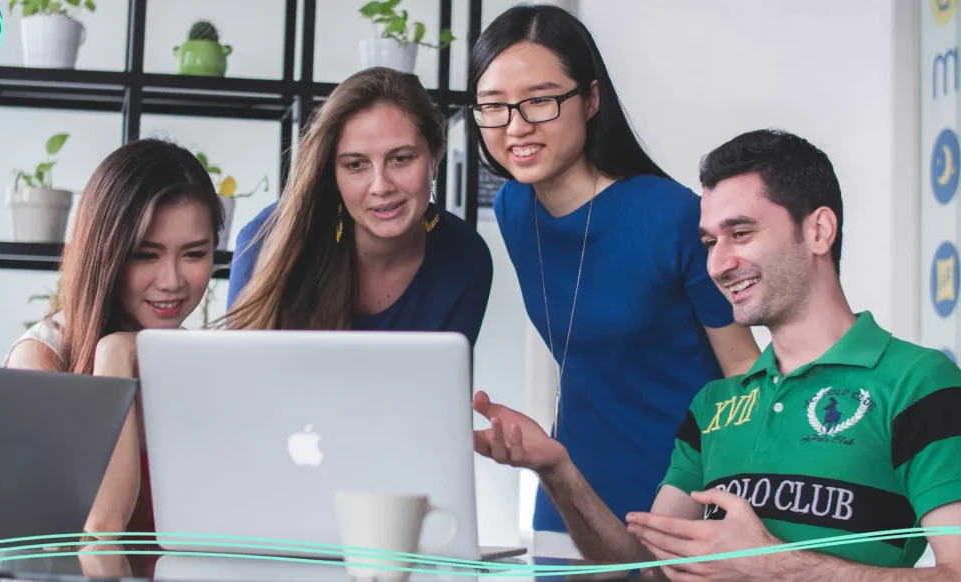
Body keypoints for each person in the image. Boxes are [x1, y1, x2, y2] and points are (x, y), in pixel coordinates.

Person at [473, 128, 961, 579]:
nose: (720, 263)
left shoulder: (917, 381)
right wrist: (556, 467)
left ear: (818, 231)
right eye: (710, 241)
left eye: (742, 233)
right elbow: (645, 568)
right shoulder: (714, 405)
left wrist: (775, 566)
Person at [467, 3, 761, 535]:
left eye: (540, 101)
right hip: (570, 485)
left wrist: (716, 496)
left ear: (591, 99)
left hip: (683, 490)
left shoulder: (672, 217)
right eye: (494, 106)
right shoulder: (514, 209)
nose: (516, 127)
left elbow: (745, 374)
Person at [4, 138, 224, 539]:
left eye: (194, 254)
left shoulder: (195, 361)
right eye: (146, 255)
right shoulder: (41, 358)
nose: (172, 281)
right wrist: (114, 357)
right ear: (106, 253)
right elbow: (100, 529)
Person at [221, 67, 493, 345]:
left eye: (400, 159)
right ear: (333, 173)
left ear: (435, 156)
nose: (381, 186)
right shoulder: (268, 238)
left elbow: (443, 383)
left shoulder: (466, 258)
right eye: (355, 165)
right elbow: (239, 377)